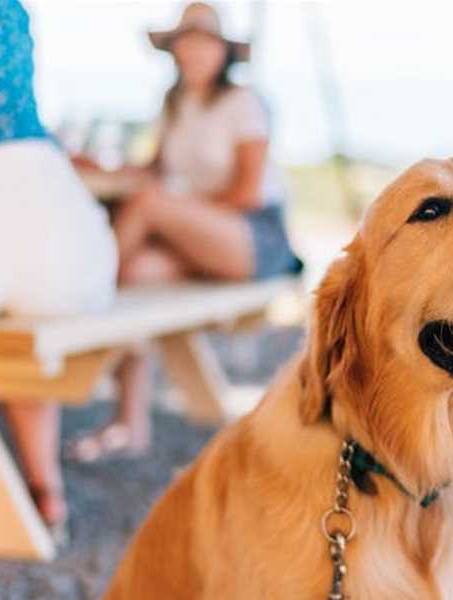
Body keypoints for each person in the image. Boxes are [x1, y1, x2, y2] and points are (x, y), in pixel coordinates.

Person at [68, 2, 301, 462]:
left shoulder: (243, 103)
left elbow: (248, 193)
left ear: (222, 52)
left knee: (146, 211)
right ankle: (128, 419)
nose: (193, 53)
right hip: (195, 235)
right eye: (185, 43)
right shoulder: (175, 105)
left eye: (203, 43)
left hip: (252, 237)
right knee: (133, 271)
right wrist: (102, 168)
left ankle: (78, 293)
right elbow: (154, 173)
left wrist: (177, 212)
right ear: (174, 51)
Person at [0, 0, 118, 540]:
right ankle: (43, 485)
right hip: (43, 211)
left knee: (6, 317)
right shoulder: (8, 13)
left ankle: (37, 485)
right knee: (24, 317)